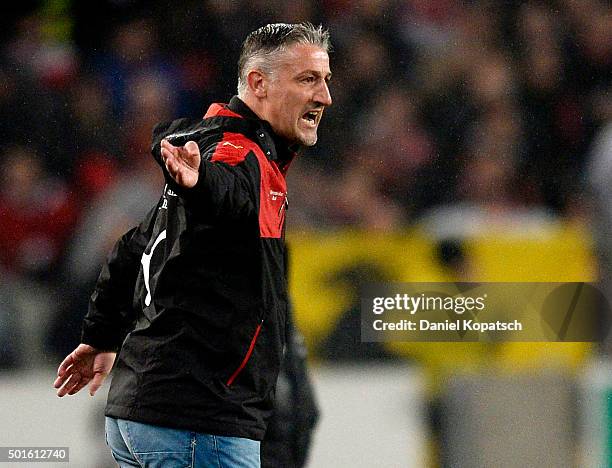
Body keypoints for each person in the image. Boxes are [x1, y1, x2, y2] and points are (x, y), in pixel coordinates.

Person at [53, 22, 332, 467]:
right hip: (198, 420)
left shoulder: (212, 144)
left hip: (151, 411)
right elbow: (226, 190)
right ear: (258, 84)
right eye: (307, 79)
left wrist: (102, 336)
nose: (324, 97)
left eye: (325, 80)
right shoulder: (239, 155)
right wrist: (202, 184)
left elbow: (132, 246)